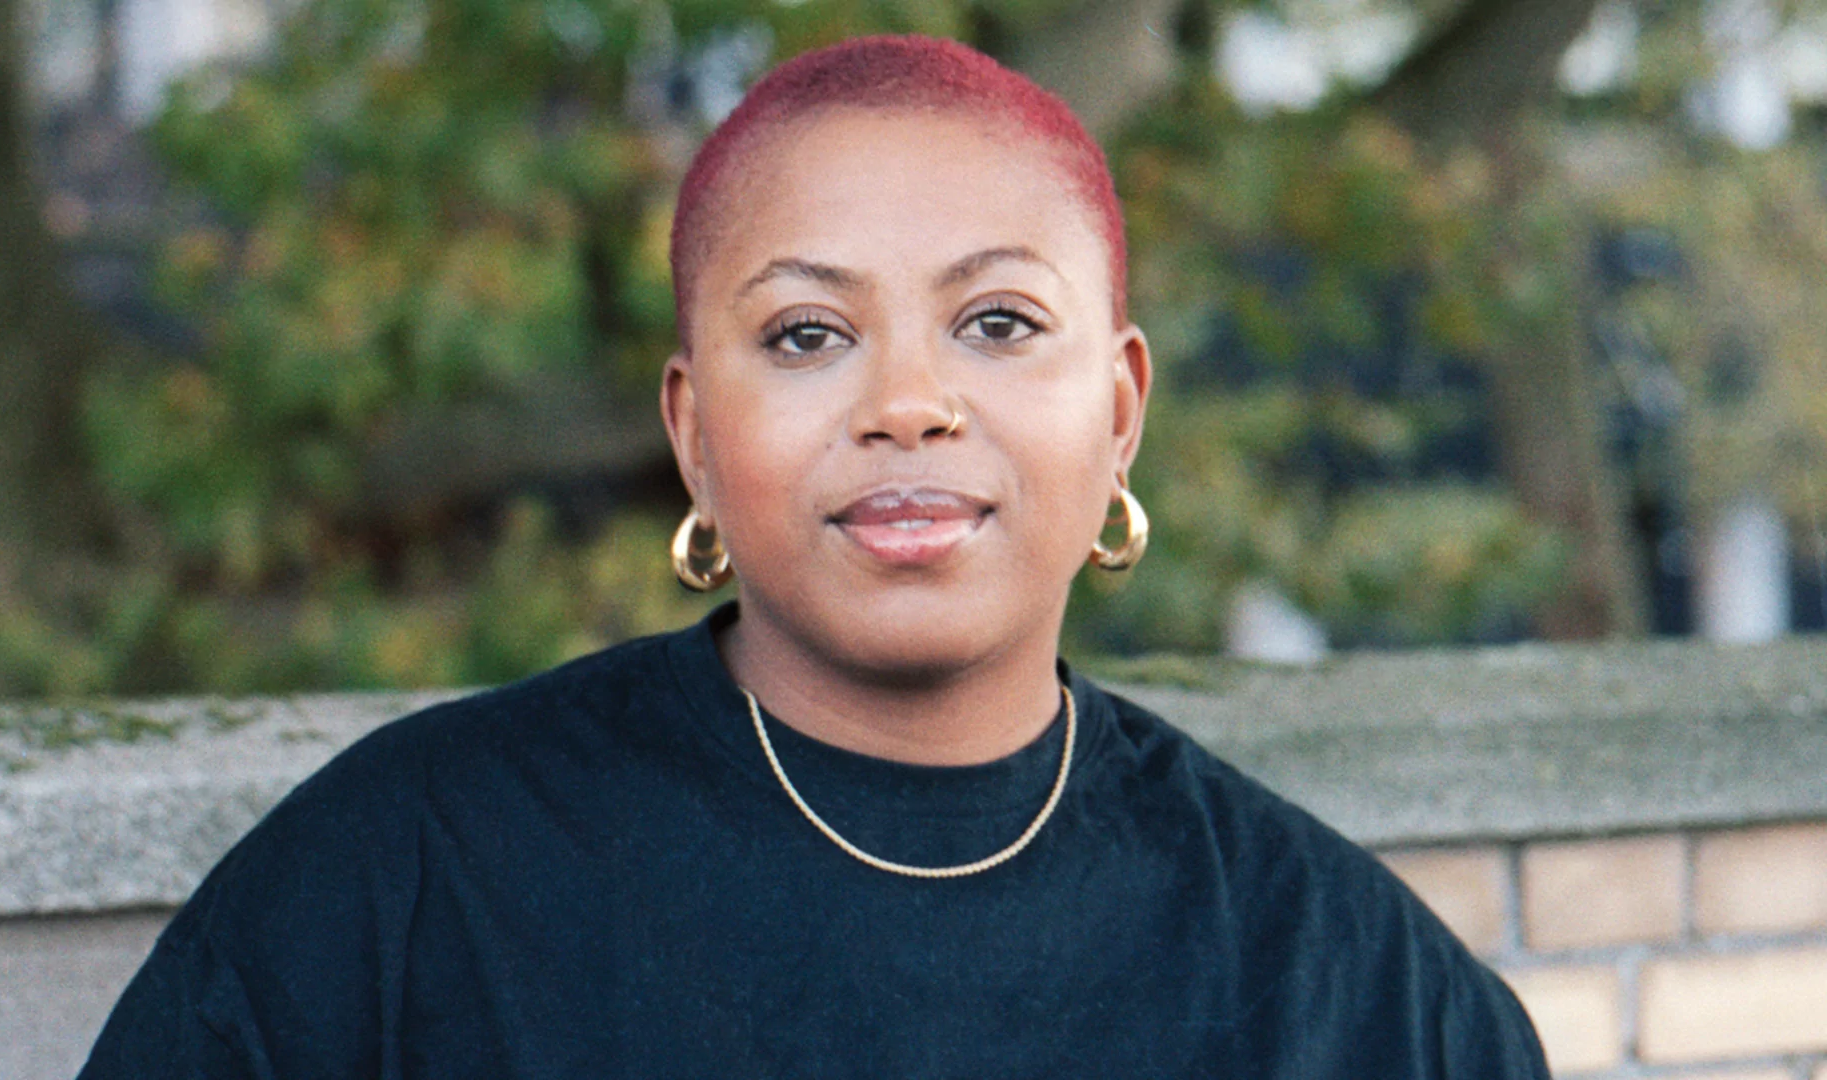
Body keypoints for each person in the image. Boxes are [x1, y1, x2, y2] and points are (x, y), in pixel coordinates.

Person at [80, 35, 1551, 1078]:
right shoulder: (398, 886)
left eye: (997, 323)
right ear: (696, 433)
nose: (908, 402)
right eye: (805, 334)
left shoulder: (1352, 988)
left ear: (1117, 415)